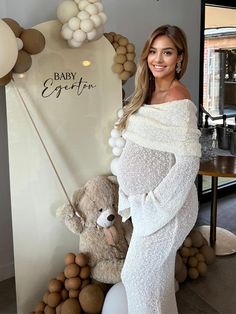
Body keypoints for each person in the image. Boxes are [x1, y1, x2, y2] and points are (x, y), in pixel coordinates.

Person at [115, 25, 201, 314]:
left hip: (169, 207)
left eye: (167, 52)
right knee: (159, 280)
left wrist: (156, 206)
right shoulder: (146, 93)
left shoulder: (180, 100)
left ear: (180, 58)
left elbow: (188, 162)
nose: (158, 59)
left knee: (137, 278)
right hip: (147, 204)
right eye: (153, 51)